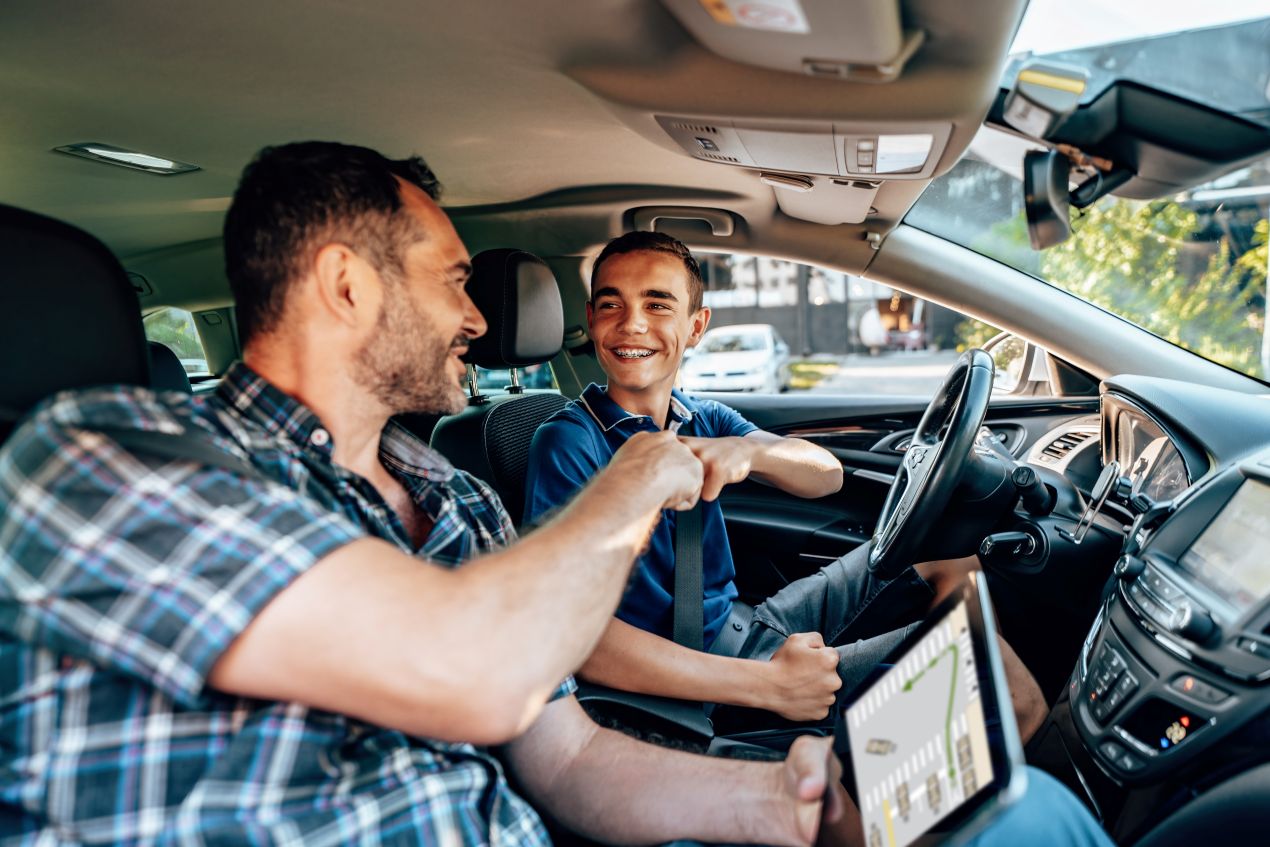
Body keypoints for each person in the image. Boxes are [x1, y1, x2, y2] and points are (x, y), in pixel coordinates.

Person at [0, 142, 1110, 847]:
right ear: (345, 283)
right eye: (450, 280)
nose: (479, 319)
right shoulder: (108, 459)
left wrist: (780, 809)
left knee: (1015, 807)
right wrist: (631, 491)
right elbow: (471, 669)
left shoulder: (451, 500)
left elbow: (568, 758)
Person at [523, 231, 1046, 736]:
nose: (632, 323)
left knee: (951, 565)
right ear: (591, 320)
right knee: (993, 672)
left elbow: (826, 474)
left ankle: (945, 738)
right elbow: (575, 638)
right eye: (611, 305)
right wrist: (769, 685)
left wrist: (751, 451)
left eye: (658, 304)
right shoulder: (571, 442)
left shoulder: (699, 416)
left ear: (697, 325)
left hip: (740, 626)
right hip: (691, 681)